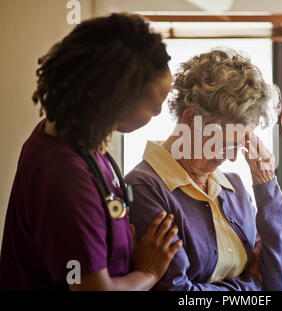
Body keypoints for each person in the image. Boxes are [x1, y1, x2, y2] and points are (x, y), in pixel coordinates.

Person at [0, 13, 182, 291]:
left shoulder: (77, 140)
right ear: (113, 102)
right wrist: (149, 271)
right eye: (155, 106)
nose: (159, 113)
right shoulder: (66, 177)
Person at [125, 49, 282, 290]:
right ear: (191, 120)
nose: (234, 157)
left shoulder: (233, 187)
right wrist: (252, 283)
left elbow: (280, 284)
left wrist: (267, 189)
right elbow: (178, 291)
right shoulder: (145, 188)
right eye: (226, 144)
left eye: (241, 143)